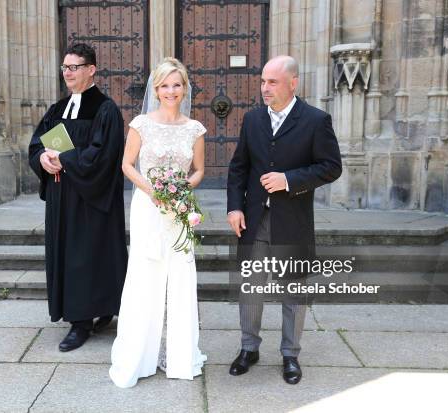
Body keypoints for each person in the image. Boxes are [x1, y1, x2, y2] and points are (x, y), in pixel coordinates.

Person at [226, 55, 342, 384]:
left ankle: (290, 354)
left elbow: (331, 166)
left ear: (293, 83)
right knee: (250, 288)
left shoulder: (316, 121)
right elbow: (239, 168)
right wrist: (235, 207)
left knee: (294, 291)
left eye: (272, 82)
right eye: (263, 81)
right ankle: (249, 348)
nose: (264, 88)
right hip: (253, 219)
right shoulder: (252, 120)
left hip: (293, 220)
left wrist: (288, 179)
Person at [109, 58, 207, 388]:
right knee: (146, 274)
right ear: (156, 89)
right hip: (148, 206)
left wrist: (180, 190)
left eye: (176, 84)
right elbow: (126, 164)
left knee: (180, 276)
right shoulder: (141, 124)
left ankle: (178, 355)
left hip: (179, 208)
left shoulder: (195, 129)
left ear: (185, 88)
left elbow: (199, 171)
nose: (171, 91)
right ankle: (141, 355)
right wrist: (154, 190)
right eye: (165, 85)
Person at [28, 43, 127, 352]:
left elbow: (103, 155)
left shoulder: (105, 109)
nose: (67, 73)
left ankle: (84, 320)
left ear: (91, 70)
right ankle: (80, 316)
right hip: (61, 198)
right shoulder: (57, 109)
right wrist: (43, 159)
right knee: (67, 255)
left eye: (73, 67)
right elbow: (37, 144)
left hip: (90, 199)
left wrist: (66, 160)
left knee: (88, 256)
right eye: (64, 68)